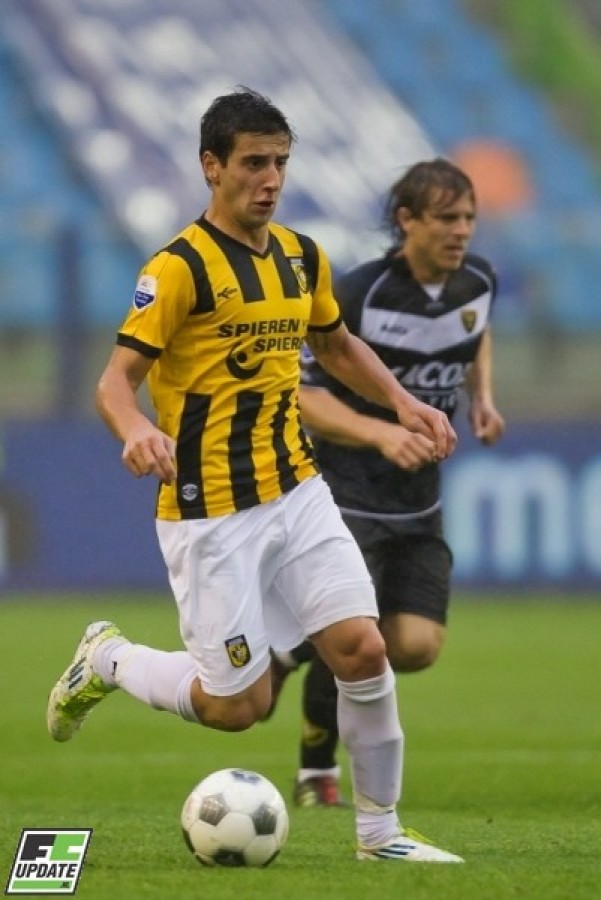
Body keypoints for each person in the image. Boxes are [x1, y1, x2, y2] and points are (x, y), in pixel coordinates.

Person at [46, 87, 462, 863]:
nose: (269, 180)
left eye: (279, 163)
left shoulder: (301, 256)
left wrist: (403, 402)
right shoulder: (178, 269)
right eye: (252, 164)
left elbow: (335, 347)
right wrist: (136, 429)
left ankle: (380, 836)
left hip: (297, 490)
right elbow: (114, 381)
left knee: (362, 649)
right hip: (211, 510)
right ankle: (108, 657)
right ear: (211, 166)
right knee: (236, 707)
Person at [268, 158, 505, 808]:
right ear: (407, 221)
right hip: (346, 493)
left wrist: (481, 397)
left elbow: (476, 331)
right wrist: (380, 433)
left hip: (419, 501)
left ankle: (291, 648)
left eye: (468, 218)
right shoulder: (358, 294)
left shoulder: (478, 280)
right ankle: (316, 771)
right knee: (358, 634)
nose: (461, 231)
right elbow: (301, 395)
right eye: (446, 218)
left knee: (417, 646)